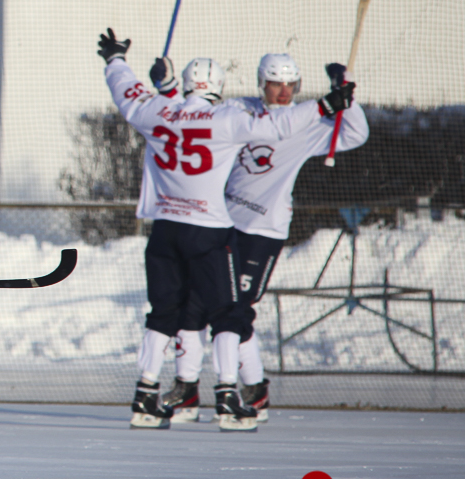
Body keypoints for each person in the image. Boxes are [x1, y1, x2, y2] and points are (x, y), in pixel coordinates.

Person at [97, 29, 354, 431]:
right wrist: (324, 104)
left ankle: (145, 395)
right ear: (219, 87)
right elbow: (280, 125)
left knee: (165, 313)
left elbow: (127, 93)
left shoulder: (154, 111)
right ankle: (228, 399)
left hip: (164, 228)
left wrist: (115, 59)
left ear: (183, 85)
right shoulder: (227, 117)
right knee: (227, 312)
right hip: (209, 232)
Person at [163, 54, 369, 423]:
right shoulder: (240, 111)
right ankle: (187, 391)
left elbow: (355, 133)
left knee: (236, 308)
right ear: (262, 83)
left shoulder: (305, 122)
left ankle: (254, 391)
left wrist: (344, 89)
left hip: (262, 231)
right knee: (192, 304)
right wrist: (168, 90)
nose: (284, 92)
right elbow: (191, 119)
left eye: (291, 85)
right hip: (221, 222)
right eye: (276, 83)